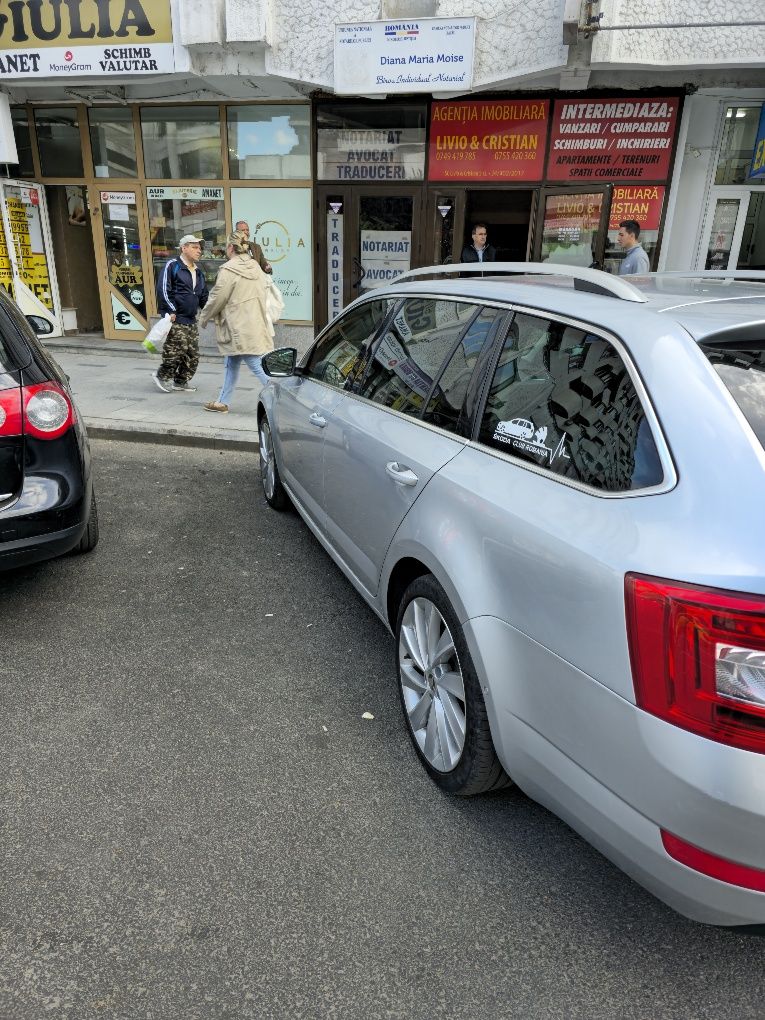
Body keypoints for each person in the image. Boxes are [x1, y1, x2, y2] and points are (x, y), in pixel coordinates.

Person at [199, 231, 274, 413]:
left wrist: (204, 317)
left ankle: (282, 399)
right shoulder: (255, 267)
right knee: (231, 362)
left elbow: (218, 296)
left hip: (237, 324)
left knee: (255, 363)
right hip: (255, 321)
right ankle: (222, 402)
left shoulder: (228, 269)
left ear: (231, 247)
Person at [152, 234, 209, 393]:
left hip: (191, 319)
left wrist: (211, 311)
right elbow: (163, 289)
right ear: (184, 248)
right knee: (175, 351)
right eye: (194, 247)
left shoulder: (198, 271)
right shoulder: (172, 265)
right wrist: (170, 310)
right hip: (176, 317)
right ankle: (162, 376)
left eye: (199, 248)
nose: (199, 251)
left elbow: (203, 295)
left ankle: (181, 381)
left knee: (192, 354)